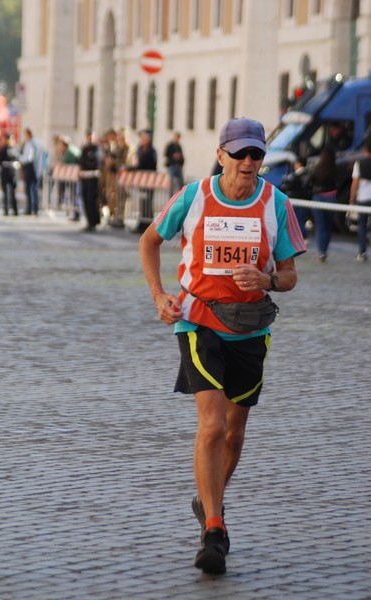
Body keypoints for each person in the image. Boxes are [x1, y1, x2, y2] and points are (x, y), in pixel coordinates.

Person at [139, 117, 306, 575]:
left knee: (234, 434)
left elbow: (290, 276)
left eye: (257, 155)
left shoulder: (277, 204)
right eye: (240, 154)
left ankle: (209, 495)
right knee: (211, 426)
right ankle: (214, 528)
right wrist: (159, 296)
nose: (249, 163)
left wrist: (268, 277)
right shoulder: (194, 197)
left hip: (251, 328)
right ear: (221, 156)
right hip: (198, 322)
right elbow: (150, 241)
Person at [308, 146, 338, 262]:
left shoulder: (317, 168)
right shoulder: (336, 169)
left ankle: (320, 252)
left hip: (318, 198)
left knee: (320, 226)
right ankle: (324, 250)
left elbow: (308, 182)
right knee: (328, 226)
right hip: (331, 199)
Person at [349, 135, 371, 262]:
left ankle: (362, 252)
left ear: (365, 149)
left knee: (362, 226)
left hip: (362, 198)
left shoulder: (359, 163)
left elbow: (355, 183)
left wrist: (352, 198)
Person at [281, 158, 312, 243]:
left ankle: (300, 237)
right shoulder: (307, 174)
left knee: (298, 220)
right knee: (301, 219)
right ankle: (302, 237)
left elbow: (289, 186)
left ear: (299, 164)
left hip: (296, 199)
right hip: (304, 200)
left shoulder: (296, 175)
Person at [78, 129, 101, 232]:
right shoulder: (84, 149)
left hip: (93, 178)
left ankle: (93, 222)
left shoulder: (97, 149)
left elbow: (95, 162)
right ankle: (88, 221)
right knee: (85, 200)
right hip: (84, 177)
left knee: (92, 200)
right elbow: (81, 161)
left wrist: (87, 162)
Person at [0, 133, 19, 216]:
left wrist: (15, 164)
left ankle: (15, 210)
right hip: (5, 174)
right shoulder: (2, 149)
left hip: (12, 173)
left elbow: (18, 159)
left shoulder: (15, 149)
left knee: (13, 193)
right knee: (5, 193)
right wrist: (6, 164)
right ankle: (6, 210)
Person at [19, 128, 39, 215]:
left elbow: (28, 158)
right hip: (29, 168)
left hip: (30, 168)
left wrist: (21, 158)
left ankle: (31, 208)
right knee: (29, 189)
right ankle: (30, 207)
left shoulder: (31, 144)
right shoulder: (28, 143)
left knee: (31, 189)